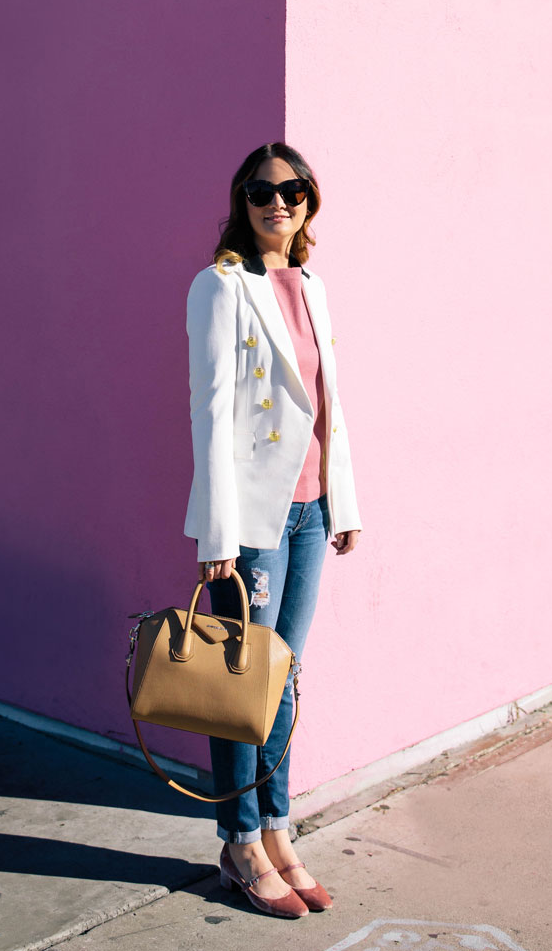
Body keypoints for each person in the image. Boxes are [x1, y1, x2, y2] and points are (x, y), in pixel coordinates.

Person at [183, 142, 361, 919]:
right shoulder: (220, 286)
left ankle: (279, 830)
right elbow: (212, 413)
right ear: (242, 199)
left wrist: (342, 505)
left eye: (291, 190)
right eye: (261, 190)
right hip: (254, 521)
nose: (276, 201)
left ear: (309, 202)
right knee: (243, 683)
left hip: (311, 511)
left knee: (283, 678)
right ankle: (239, 838)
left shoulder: (313, 285)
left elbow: (330, 407)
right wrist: (218, 533)